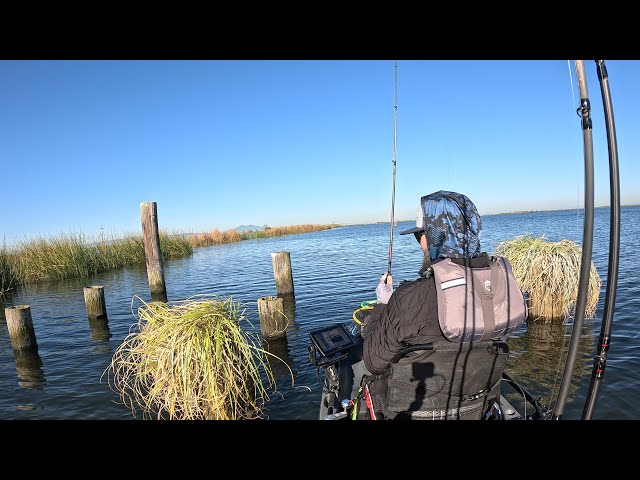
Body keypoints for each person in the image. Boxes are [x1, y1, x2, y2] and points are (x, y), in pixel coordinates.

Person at [351, 190, 488, 392]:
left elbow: (373, 361)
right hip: (474, 399)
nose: (420, 243)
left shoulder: (407, 300)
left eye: (419, 235)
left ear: (432, 238)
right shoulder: (497, 289)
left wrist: (383, 304)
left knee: (354, 370)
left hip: (417, 405)